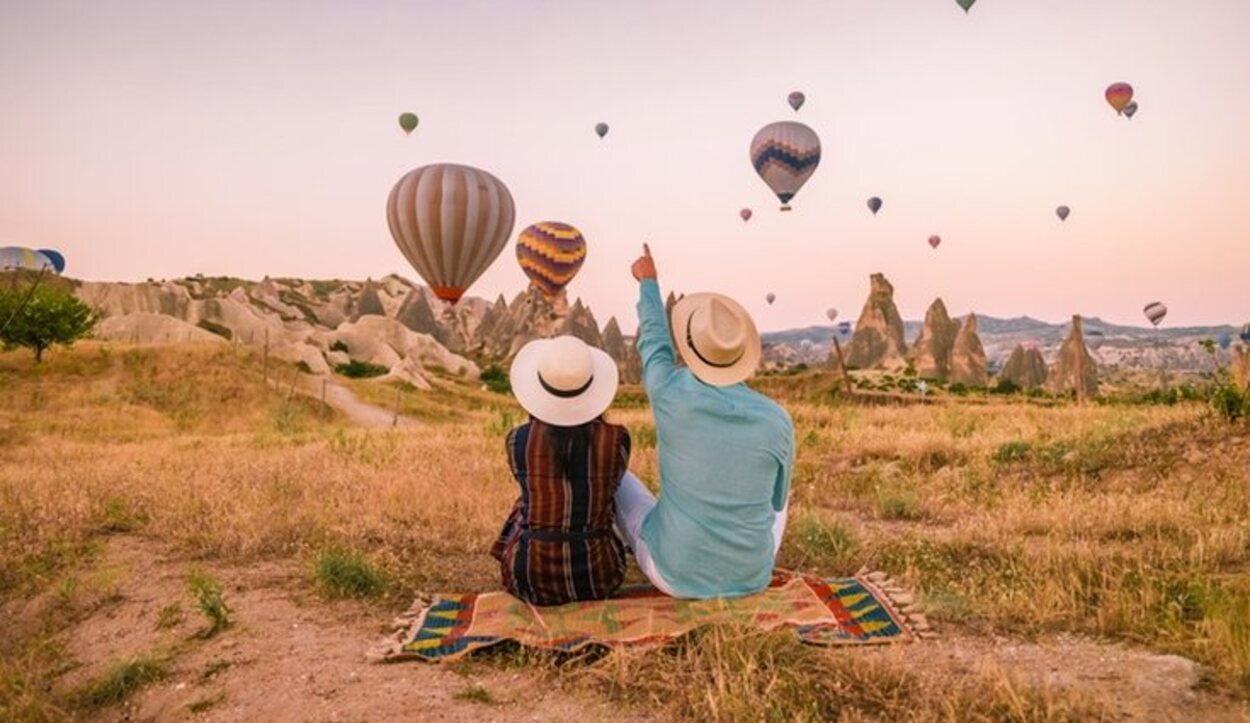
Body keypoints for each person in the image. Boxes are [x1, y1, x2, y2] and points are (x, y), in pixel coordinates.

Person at [615, 244, 795, 599]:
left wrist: (648, 281)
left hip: (674, 575)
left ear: (690, 348)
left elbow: (654, 344)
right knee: (782, 492)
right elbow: (775, 503)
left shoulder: (670, 393)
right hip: (751, 577)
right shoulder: (777, 419)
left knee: (618, 477)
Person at [491, 335, 631, 605]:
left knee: (526, 500)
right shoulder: (617, 439)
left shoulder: (517, 440)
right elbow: (612, 487)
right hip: (599, 578)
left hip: (528, 578)